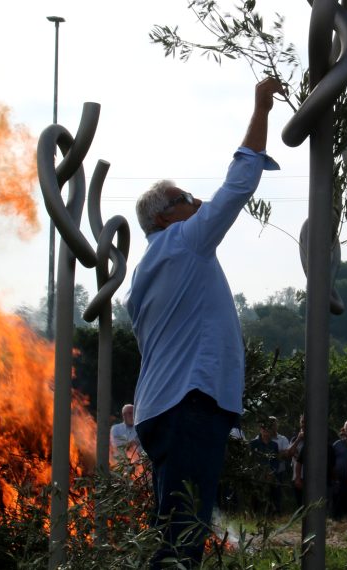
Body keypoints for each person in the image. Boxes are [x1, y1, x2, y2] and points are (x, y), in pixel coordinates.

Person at [126, 77, 283, 568]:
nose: (196, 203)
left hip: (158, 409)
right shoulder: (185, 242)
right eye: (185, 198)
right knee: (183, 536)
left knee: (173, 527)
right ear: (164, 218)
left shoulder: (144, 274)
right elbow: (237, 186)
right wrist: (261, 111)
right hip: (189, 403)